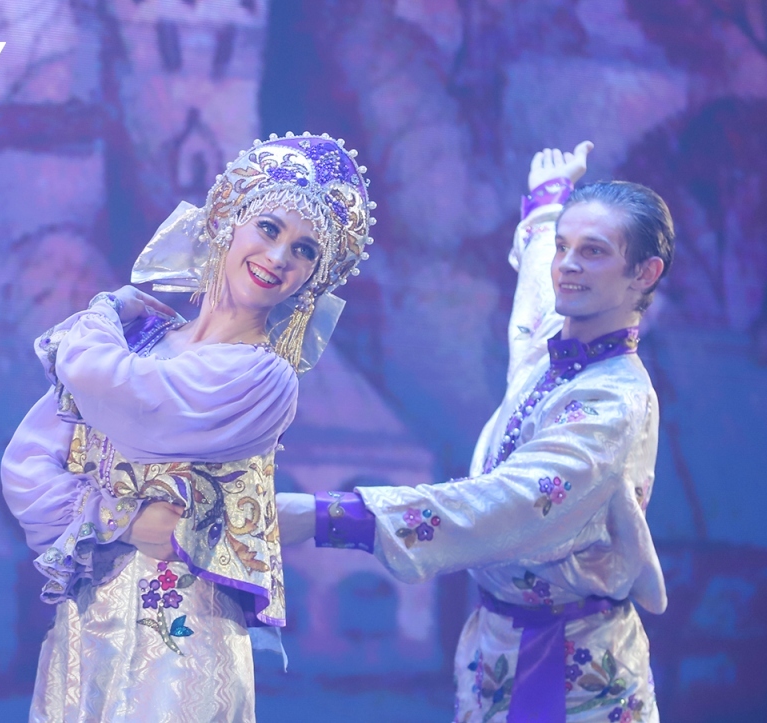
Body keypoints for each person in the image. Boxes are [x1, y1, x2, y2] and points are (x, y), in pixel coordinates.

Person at [277, 145, 674, 723]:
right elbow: (539, 282)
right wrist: (547, 204)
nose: (567, 264)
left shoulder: (613, 400)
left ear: (645, 272)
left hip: (572, 670)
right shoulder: (554, 348)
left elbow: (512, 505)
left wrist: (328, 516)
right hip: (497, 650)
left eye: (593, 252)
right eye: (565, 247)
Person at [0, 131, 375, 722]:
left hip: (178, 640)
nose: (279, 258)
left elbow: (126, 397)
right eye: (270, 229)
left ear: (314, 279)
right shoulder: (144, 338)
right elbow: (25, 466)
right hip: (83, 621)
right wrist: (114, 521)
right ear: (229, 221)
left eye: (305, 251)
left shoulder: (263, 380)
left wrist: (102, 312)